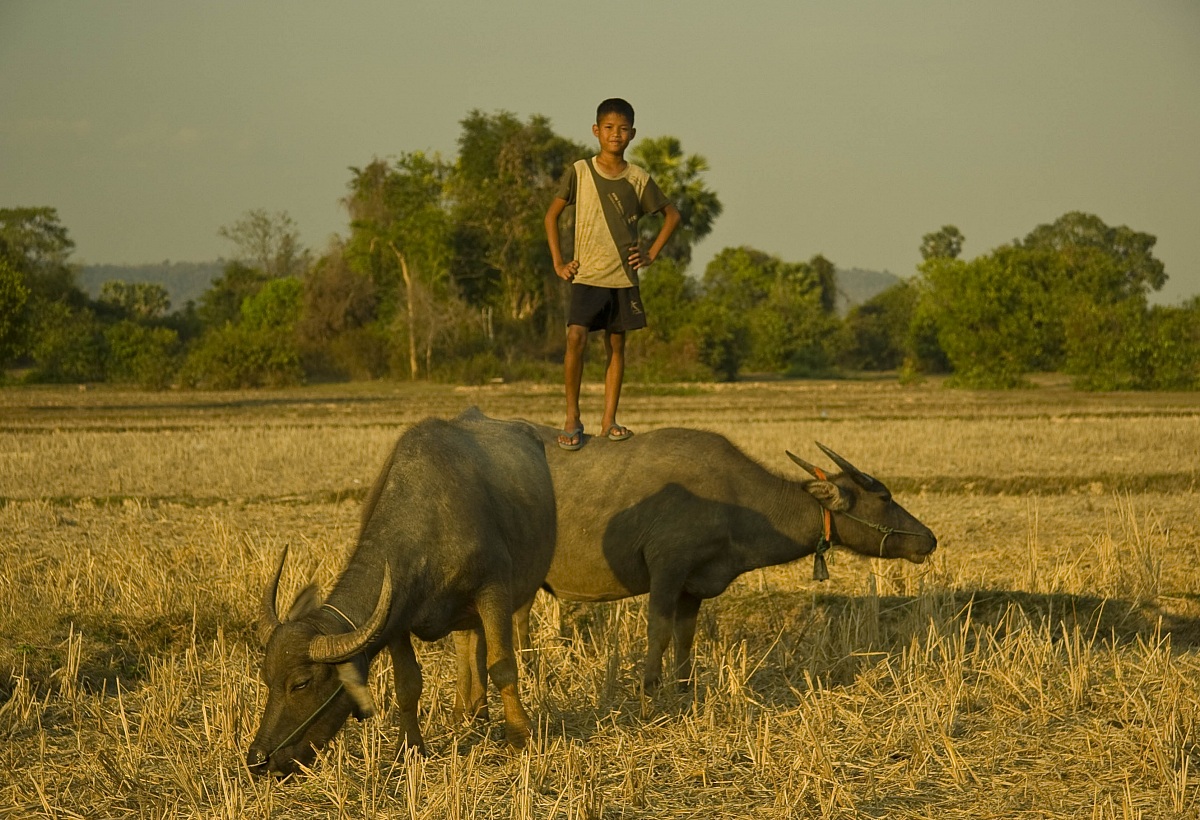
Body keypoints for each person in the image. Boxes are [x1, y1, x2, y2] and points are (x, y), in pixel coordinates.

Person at [544, 98, 682, 450]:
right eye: (608, 128)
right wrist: (561, 263)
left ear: (632, 134)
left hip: (622, 278)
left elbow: (672, 216)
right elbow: (551, 217)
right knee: (575, 338)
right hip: (587, 276)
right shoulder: (580, 171)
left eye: (622, 129)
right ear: (596, 131)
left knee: (616, 345)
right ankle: (572, 418)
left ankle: (609, 420)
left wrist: (650, 252)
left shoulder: (638, 178)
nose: (615, 134)